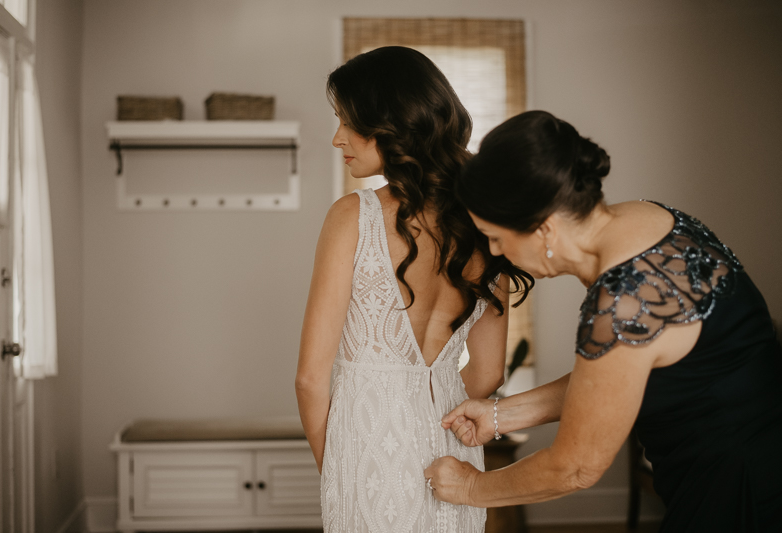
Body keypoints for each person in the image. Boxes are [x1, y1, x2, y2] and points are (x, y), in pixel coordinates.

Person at [425, 110, 782, 532]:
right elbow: (618, 376)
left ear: (543, 229)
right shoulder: (648, 219)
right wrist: (504, 414)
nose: (496, 250)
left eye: (496, 236)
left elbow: (575, 468)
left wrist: (470, 487)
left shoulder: (624, 300)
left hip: (737, 491)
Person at [295, 46, 532, 533]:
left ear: (391, 125)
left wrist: (334, 469)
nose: (337, 138)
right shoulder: (486, 225)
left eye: (347, 122)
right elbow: (487, 374)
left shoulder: (352, 217)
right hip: (453, 448)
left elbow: (310, 380)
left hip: (365, 447)